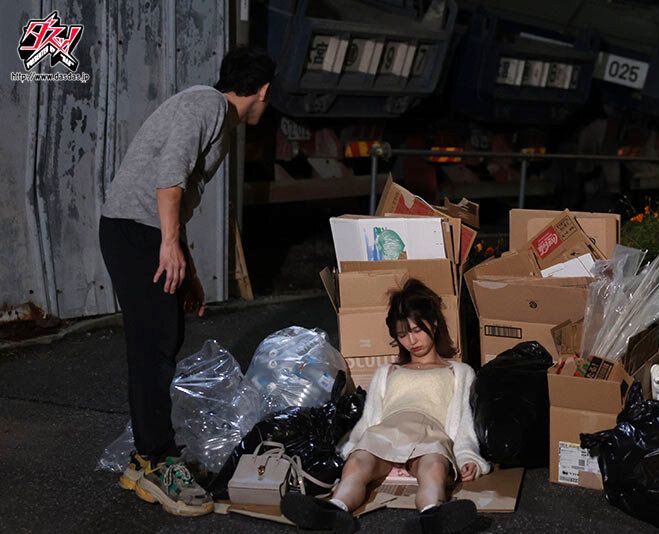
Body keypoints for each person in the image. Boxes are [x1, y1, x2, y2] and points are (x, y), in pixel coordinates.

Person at [98, 46, 275, 516]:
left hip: (142, 231)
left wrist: (186, 266)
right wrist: (168, 245)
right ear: (263, 90)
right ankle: (156, 461)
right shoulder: (206, 104)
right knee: (154, 344)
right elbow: (169, 179)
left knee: (161, 338)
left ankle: (144, 460)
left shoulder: (218, 116)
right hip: (136, 230)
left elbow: (179, 194)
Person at [281, 279, 492, 533]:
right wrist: (349, 448)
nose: (411, 341)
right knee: (357, 464)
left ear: (434, 324)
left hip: (430, 433)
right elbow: (370, 419)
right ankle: (334, 511)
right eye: (402, 335)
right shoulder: (387, 371)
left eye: (417, 330)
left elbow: (465, 423)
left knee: (434, 468)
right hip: (386, 430)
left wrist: (467, 457)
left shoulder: (459, 371)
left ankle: (431, 516)